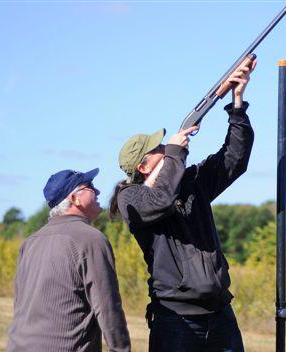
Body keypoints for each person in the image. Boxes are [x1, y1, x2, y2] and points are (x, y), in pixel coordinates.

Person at [108, 62, 256, 351]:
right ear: (143, 165)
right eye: (158, 148)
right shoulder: (131, 198)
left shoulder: (189, 182)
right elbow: (160, 199)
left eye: (165, 145)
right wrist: (176, 151)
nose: (166, 148)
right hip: (176, 320)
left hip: (219, 312)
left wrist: (236, 104)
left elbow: (235, 159)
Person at [7, 168, 131, 352]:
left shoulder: (30, 242)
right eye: (89, 186)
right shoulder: (90, 239)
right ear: (74, 198)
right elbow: (107, 307)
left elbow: (20, 304)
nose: (97, 191)